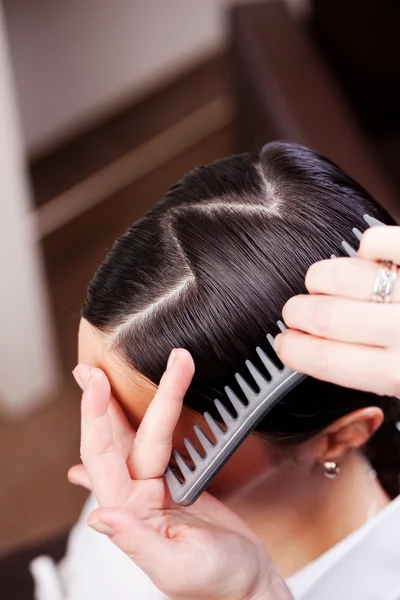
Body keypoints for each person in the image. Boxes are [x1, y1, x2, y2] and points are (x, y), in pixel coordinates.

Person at [31, 142, 400, 600]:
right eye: (94, 400)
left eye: (165, 450)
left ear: (339, 438)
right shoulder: (123, 466)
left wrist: (250, 594)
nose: (101, 454)